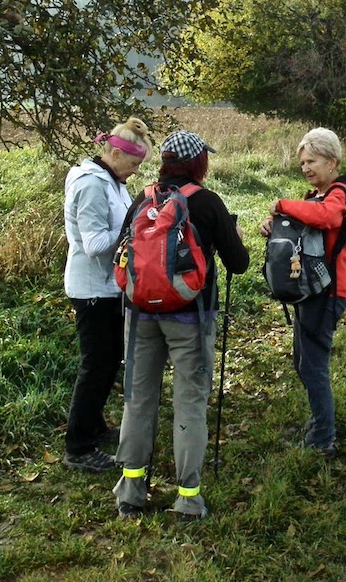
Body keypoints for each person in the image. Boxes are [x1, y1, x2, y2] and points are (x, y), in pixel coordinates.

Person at [114, 130, 250, 521]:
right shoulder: (207, 203)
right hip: (191, 317)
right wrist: (233, 236)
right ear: (198, 163)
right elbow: (237, 263)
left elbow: (122, 253)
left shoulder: (144, 198)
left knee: (138, 401)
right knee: (189, 403)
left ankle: (131, 492)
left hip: (139, 314)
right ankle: (188, 498)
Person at [259, 128, 346, 457]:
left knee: (313, 366)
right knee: (303, 363)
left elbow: (325, 217)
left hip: (328, 294)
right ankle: (321, 422)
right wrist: (273, 223)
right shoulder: (314, 197)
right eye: (302, 162)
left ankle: (323, 438)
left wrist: (280, 204)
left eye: (313, 161)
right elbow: (302, 230)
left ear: (332, 162)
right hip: (310, 292)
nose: (306, 168)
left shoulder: (338, 196)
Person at [62, 118, 153, 473]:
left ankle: (95, 426)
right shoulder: (91, 186)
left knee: (109, 360)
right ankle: (78, 446)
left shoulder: (112, 182)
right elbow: (94, 243)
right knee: (96, 366)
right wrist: (137, 230)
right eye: (132, 164)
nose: (134, 172)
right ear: (114, 153)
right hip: (91, 291)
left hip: (109, 288)